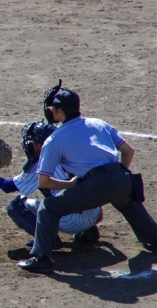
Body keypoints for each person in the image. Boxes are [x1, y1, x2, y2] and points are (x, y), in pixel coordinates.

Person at [18, 83, 157, 273]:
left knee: (48, 208)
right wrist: (118, 175)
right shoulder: (99, 123)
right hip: (122, 177)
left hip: (95, 185)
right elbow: (128, 151)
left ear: (60, 111)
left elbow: (44, 182)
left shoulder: (54, 139)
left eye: (53, 108)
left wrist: (70, 185)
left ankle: (41, 258)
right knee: (127, 202)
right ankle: (154, 239)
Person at [0, 120, 103, 246]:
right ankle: (89, 232)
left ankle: (48, 239)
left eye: (32, 141)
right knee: (71, 188)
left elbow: (7, 186)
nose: (28, 144)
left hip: (71, 222)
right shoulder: (74, 152)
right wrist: (95, 218)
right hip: (93, 216)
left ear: (41, 145)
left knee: (15, 206)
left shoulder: (40, 164)